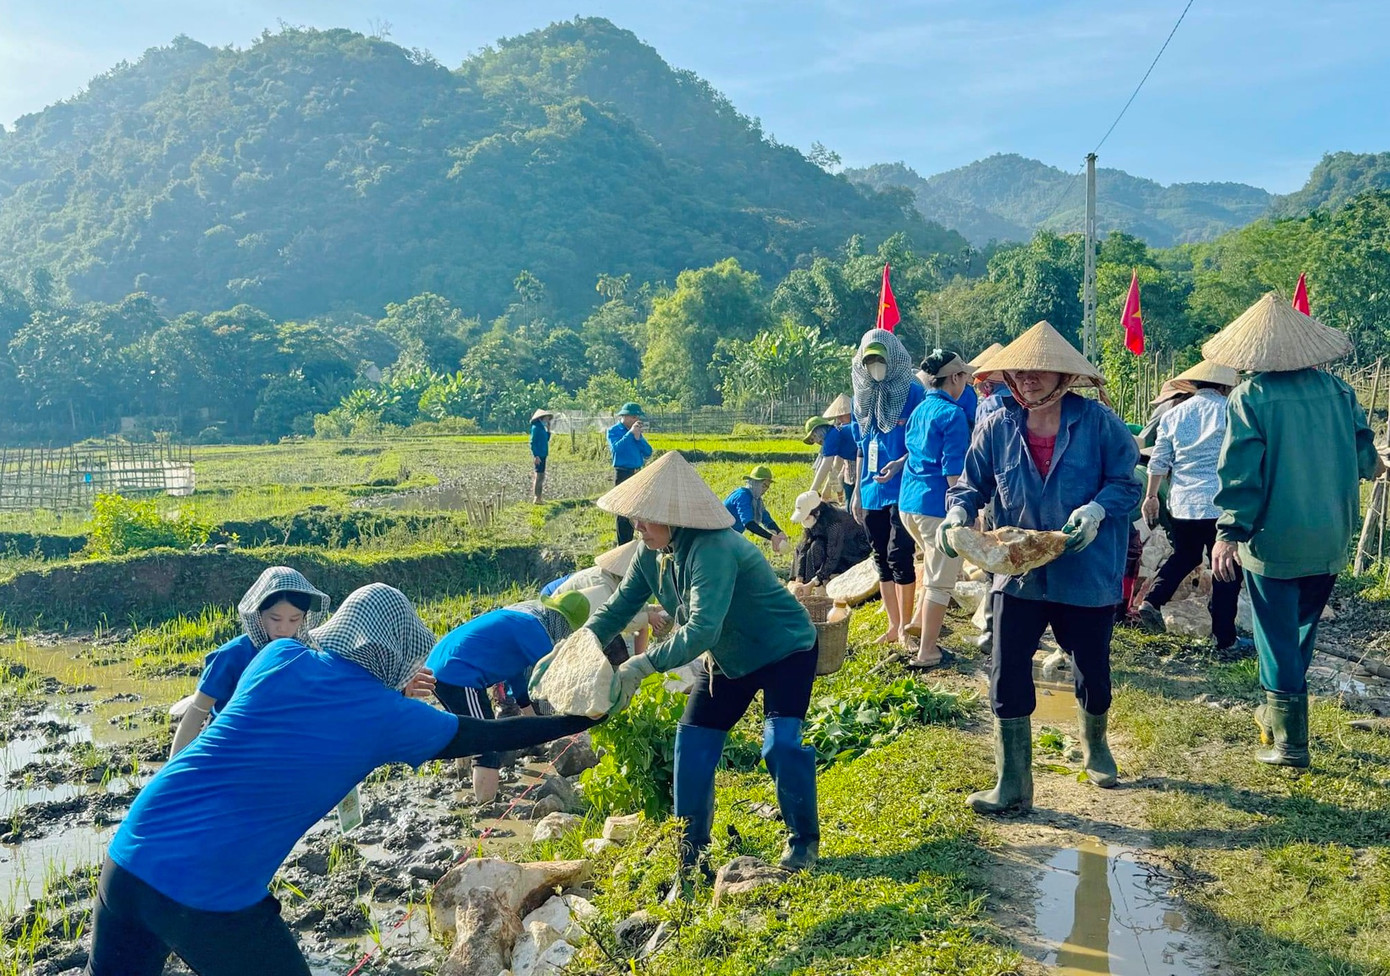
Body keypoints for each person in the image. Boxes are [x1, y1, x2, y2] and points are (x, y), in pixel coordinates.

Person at [87, 583, 596, 976]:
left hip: (131, 852)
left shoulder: (277, 656)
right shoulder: (388, 716)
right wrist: (583, 719)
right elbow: (491, 732)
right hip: (209, 889)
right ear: (395, 653)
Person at [539, 451, 820, 878]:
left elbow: (702, 630)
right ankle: (692, 856)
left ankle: (803, 843)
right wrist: (574, 645)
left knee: (779, 744)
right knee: (691, 744)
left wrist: (638, 665)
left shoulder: (715, 548)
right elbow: (617, 609)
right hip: (728, 660)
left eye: (645, 519)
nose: (637, 527)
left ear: (673, 516)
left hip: (785, 650)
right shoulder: (651, 552)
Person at [939, 321, 1140, 814]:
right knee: (1007, 671)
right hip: (1017, 569)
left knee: (1091, 667)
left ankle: (1096, 747)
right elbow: (971, 484)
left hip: (1084, 567)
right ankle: (1012, 783)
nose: (1027, 378)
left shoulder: (1097, 424)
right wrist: (958, 513)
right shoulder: (997, 426)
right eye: (1020, 370)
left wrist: (1096, 510)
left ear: (1063, 376)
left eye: (1039, 370)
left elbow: (1127, 483)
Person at [1205, 294, 1384, 767]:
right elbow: (1369, 460)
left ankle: (1289, 742)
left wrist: (1229, 532)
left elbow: (1242, 474)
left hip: (1275, 537)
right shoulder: (1339, 391)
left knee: (1276, 634)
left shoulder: (1252, 397)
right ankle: (1278, 712)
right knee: (1301, 628)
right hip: (1331, 533)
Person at [425, 592, 591, 802]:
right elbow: (559, 678)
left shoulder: (526, 621)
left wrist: (534, 724)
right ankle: (486, 809)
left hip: (438, 666)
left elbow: (517, 678)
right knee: (488, 741)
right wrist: (576, 718)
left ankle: (463, 782)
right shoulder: (537, 633)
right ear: (564, 623)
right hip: (459, 674)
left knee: (464, 729)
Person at [1133, 361, 1251, 653]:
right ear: (1225, 387)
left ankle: (1152, 600)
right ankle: (1224, 638)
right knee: (1225, 568)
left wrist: (1151, 497)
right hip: (1219, 503)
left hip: (1182, 502)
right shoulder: (1231, 411)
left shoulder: (1174, 415)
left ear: (1195, 385)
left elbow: (1158, 461)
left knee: (1184, 555)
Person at [168, 567, 330, 758]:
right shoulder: (232, 656)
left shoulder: (303, 657)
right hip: (228, 751)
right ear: (258, 614)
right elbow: (196, 713)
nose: (284, 628)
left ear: (304, 619)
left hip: (279, 755)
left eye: (294, 619)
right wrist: (172, 769)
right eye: (275, 618)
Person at [850, 330, 926, 644]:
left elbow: (923, 441)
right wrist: (855, 491)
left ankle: (908, 627)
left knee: (899, 553)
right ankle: (893, 625)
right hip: (870, 489)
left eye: (881, 359)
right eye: (869, 361)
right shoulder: (861, 396)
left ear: (893, 358)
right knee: (879, 556)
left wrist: (900, 463)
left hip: (903, 486)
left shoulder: (913, 393)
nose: (875, 366)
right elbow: (859, 446)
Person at [899, 350, 972, 669]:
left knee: (931, 567)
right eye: (965, 377)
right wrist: (966, 509)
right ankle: (928, 651)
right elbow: (953, 470)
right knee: (941, 581)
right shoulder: (952, 414)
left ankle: (918, 626)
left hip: (909, 504)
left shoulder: (920, 410)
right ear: (955, 378)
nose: (967, 383)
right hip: (936, 506)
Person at [541, 541, 652, 655]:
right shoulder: (603, 588)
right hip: (559, 605)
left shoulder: (616, 580)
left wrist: (651, 611)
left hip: (576, 603)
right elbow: (611, 619)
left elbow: (635, 607)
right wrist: (647, 617)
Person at [789, 489, 872, 583]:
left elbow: (833, 554)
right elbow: (805, 545)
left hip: (855, 548)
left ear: (816, 512)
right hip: (836, 544)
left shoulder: (834, 523)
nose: (804, 521)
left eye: (806, 517)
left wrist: (816, 580)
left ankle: (819, 579)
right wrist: (799, 575)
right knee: (800, 548)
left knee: (817, 547)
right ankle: (802, 580)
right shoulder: (813, 520)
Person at [607, 402, 654, 545]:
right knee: (623, 510)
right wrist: (630, 434)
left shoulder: (636, 432)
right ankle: (623, 544)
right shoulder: (613, 431)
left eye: (637, 417)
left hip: (637, 473)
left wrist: (638, 438)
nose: (636, 420)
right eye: (634, 416)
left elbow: (648, 452)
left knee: (637, 508)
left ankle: (638, 539)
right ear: (625, 416)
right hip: (623, 473)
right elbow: (616, 450)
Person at [724, 465, 789, 552]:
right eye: (764, 485)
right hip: (718, 537)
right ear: (754, 482)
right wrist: (772, 537)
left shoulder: (756, 500)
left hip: (730, 537)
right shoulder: (743, 496)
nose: (765, 489)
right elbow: (748, 523)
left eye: (767, 487)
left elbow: (765, 518)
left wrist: (779, 532)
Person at [804, 416, 857, 504]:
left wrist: (812, 491)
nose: (816, 442)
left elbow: (826, 463)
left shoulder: (831, 435)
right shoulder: (836, 433)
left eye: (813, 437)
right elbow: (837, 465)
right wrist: (827, 489)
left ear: (819, 431)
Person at [529, 408, 553, 504]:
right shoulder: (536, 428)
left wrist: (548, 429)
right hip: (539, 455)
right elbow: (533, 443)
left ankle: (539, 498)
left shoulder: (542, 428)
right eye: (547, 418)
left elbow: (546, 439)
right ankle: (537, 498)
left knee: (541, 476)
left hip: (543, 454)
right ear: (541, 418)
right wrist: (536, 456)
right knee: (539, 476)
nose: (547, 420)